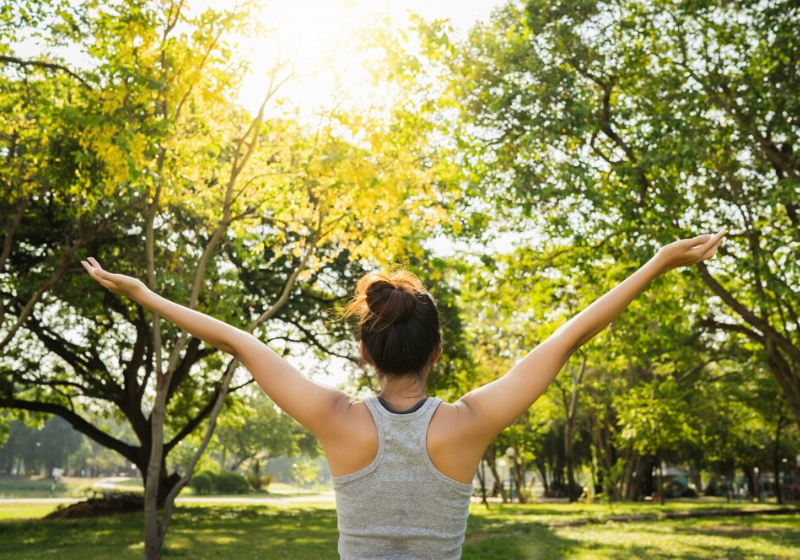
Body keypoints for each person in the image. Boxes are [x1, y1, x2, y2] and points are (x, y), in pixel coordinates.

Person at [81, 229, 726, 559]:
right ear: (437, 354)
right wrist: (657, 263)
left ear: (365, 352)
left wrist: (144, 294)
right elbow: (568, 338)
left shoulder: (336, 421)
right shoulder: (468, 424)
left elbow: (241, 344)